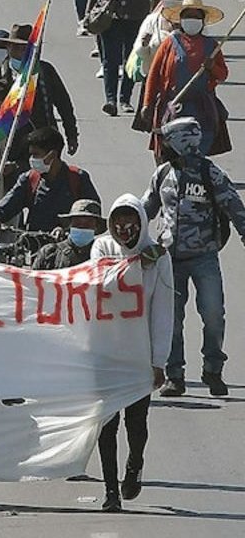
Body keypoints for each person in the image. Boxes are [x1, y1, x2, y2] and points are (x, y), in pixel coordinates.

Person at [142, 117, 245, 398]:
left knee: (213, 315)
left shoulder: (211, 174)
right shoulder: (162, 174)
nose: (161, 146)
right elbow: (145, 209)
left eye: (165, 140)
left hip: (204, 258)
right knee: (171, 320)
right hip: (168, 260)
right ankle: (174, 376)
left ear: (180, 142)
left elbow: (235, 207)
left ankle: (213, 369)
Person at [90, 195, 173, 513]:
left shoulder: (159, 258)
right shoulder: (102, 248)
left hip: (139, 354)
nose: (123, 230)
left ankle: (134, 463)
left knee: (136, 423)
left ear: (141, 222)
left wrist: (158, 361)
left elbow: (163, 312)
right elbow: (102, 281)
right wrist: (137, 264)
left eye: (130, 223)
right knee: (107, 424)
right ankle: (111, 491)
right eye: (117, 223)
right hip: (107, 353)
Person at [141, 0, 229, 157]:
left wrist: (212, 67)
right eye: (188, 16)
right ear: (181, 20)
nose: (192, 20)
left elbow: (223, 75)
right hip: (173, 105)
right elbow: (153, 74)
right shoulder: (170, 43)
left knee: (198, 150)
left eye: (196, 17)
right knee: (169, 149)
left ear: (203, 21)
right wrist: (147, 103)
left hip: (202, 109)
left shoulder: (212, 46)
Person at [0, 22, 78, 150]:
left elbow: (64, 105)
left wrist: (72, 135)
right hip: (8, 141)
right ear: (8, 46)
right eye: (16, 46)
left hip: (43, 139)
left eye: (26, 48)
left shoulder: (45, 71)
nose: (22, 51)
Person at [0, 126, 98, 231]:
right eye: (31, 155)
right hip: (35, 245)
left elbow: (93, 215)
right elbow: (7, 207)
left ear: (52, 155)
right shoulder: (29, 179)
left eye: (36, 154)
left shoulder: (78, 179)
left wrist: (66, 229)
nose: (32, 159)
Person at [32, 198, 106, 269]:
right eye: (77, 222)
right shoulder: (49, 254)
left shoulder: (102, 255)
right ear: (70, 224)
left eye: (88, 223)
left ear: (96, 227)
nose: (82, 226)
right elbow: (33, 279)